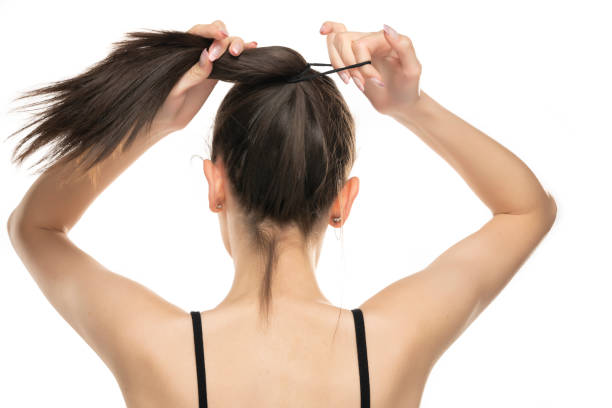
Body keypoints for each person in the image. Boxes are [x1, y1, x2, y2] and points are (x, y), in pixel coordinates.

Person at [6, 19, 556, 407]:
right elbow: (526, 209)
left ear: (215, 185)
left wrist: (157, 122)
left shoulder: (158, 350)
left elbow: (35, 227)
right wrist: (411, 105)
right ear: (342, 200)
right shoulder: (390, 346)